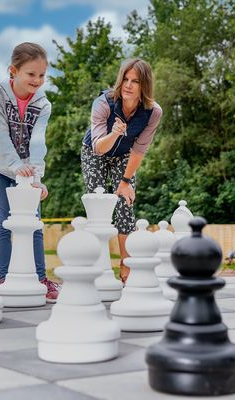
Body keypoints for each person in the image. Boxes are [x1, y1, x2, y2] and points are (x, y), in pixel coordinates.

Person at [0, 42, 59, 302]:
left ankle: (40, 279)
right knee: (3, 223)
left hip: (27, 171)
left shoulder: (43, 104)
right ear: (13, 71)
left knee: (34, 223)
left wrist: (36, 178)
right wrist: (15, 167)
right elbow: (0, 134)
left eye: (41, 75)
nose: (37, 80)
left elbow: (38, 141)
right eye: (31, 74)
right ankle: (5, 279)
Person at [81, 58, 163, 284]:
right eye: (125, 79)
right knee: (98, 204)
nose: (128, 85)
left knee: (124, 204)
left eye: (135, 81)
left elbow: (140, 148)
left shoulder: (153, 112)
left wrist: (125, 181)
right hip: (95, 151)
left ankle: (126, 266)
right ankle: (97, 265)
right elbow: (98, 146)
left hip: (125, 156)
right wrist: (115, 133)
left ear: (143, 85)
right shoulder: (104, 103)